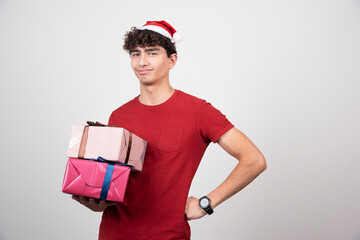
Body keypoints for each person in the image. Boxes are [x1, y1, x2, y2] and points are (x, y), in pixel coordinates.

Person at [72, 20, 267, 240]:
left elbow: (254, 160)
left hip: (168, 235)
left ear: (172, 60)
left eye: (152, 53)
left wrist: (207, 203)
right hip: (113, 233)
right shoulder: (119, 115)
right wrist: (97, 202)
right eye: (135, 54)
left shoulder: (198, 112)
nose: (142, 62)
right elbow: (112, 182)